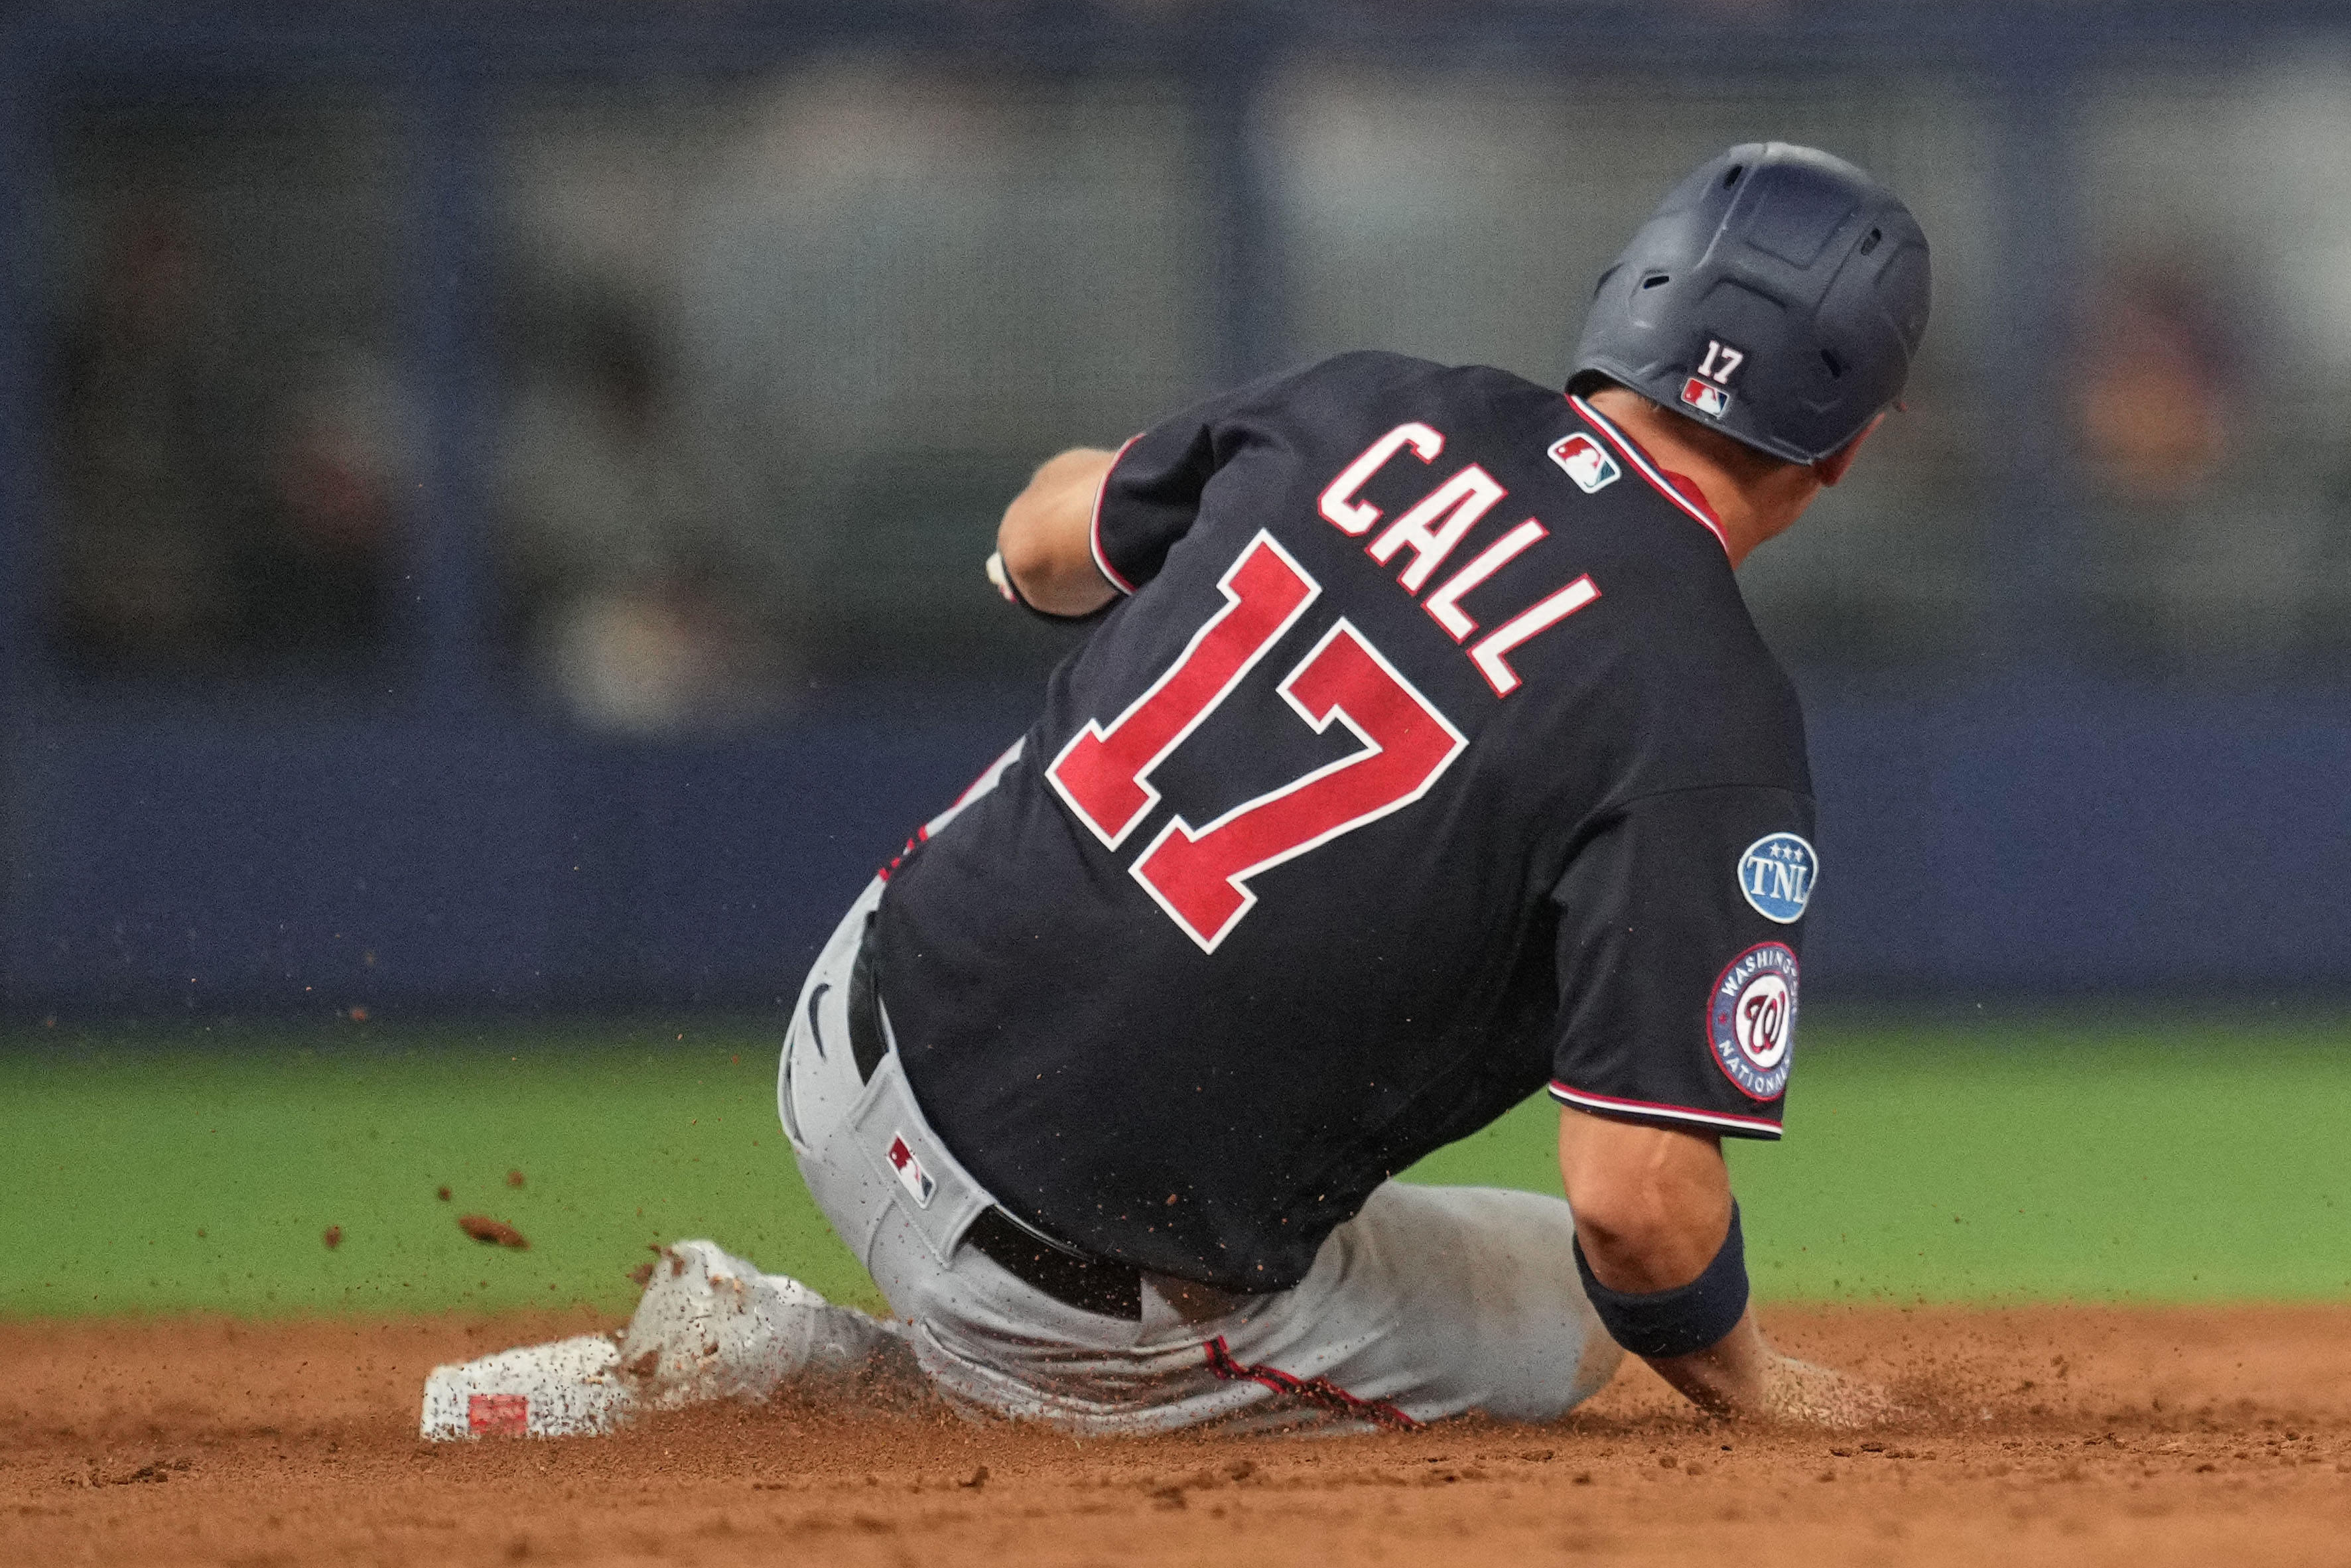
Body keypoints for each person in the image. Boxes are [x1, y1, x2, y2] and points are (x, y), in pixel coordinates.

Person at [549, 143, 1925, 1437]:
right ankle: (856, 1380)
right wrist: (1754, 1383)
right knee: (1577, 1311)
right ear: (1849, 444)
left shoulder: (1375, 402)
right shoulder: (1706, 711)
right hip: (1059, 1285)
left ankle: (882, 1338)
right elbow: (1636, 1207)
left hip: (847, 1035)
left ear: (1630, 296)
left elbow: (1041, 544)